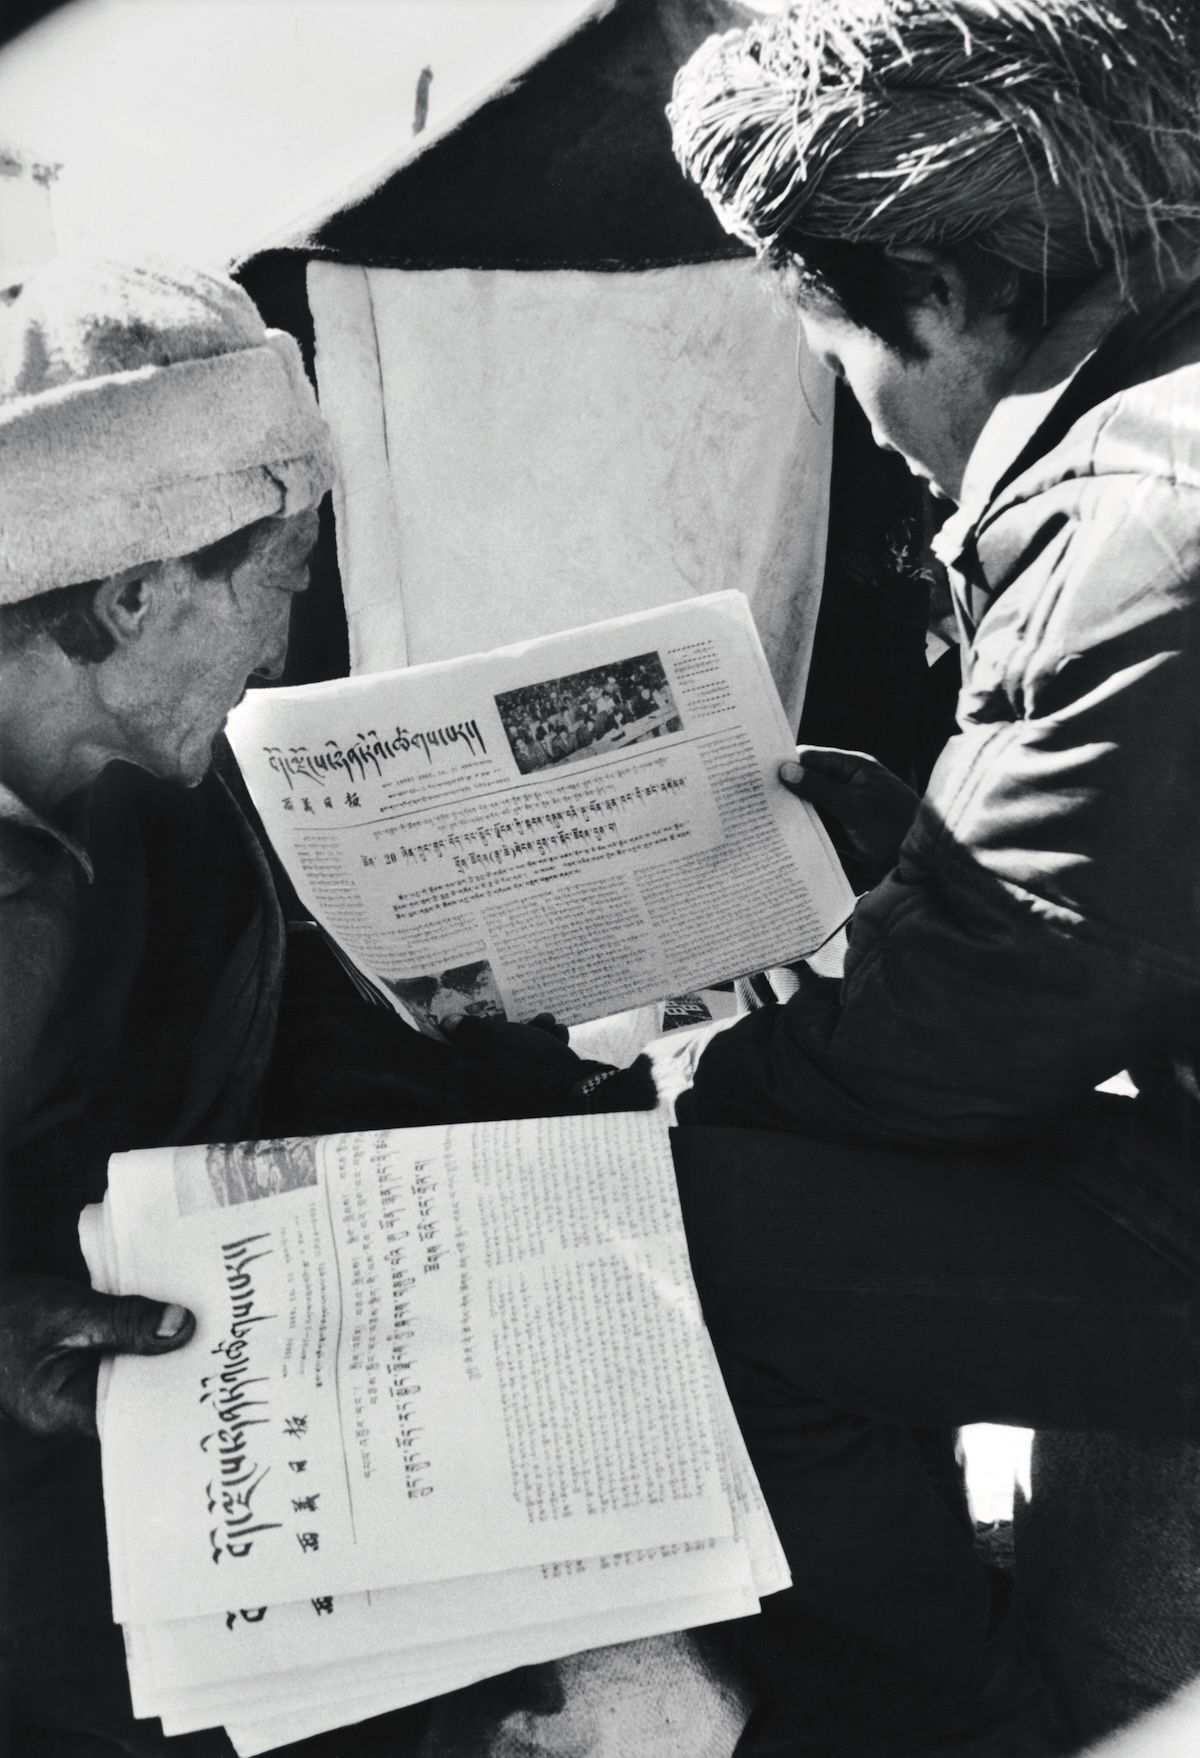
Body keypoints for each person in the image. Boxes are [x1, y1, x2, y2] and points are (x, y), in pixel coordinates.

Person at [0, 257, 649, 1757]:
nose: (283, 650)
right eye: (280, 581)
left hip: (208, 1381)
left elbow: (271, 1035)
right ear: (133, 594)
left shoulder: (162, 800)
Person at [667, 3, 1200, 1753]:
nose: (875, 425)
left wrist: (700, 1087)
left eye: (840, 357)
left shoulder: (1140, 529)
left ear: (938, 292)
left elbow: (960, 1036)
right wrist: (936, 846)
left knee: (697, 1239)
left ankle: (965, 1717)